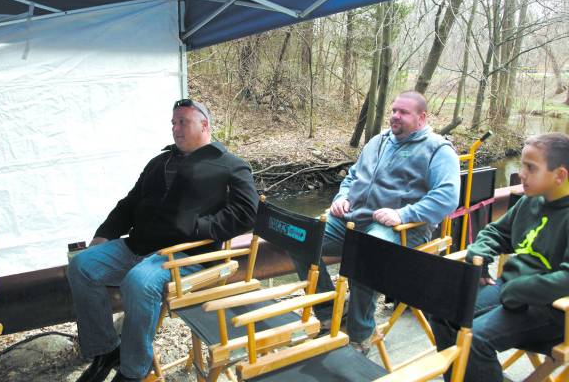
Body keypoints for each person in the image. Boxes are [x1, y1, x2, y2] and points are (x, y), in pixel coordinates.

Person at [68, 99, 259, 382]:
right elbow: (130, 203)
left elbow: (246, 213)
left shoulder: (229, 165)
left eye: (183, 122)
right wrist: (105, 233)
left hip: (185, 255)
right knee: (81, 266)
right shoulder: (160, 162)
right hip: (138, 246)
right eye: (173, 123)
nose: (175, 128)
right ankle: (106, 349)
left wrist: (198, 227)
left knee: (139, 281)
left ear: (204, 125)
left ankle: (134, 371)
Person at [293, 90, 461, 353]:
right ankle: (329, 312)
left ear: (421, 117)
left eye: (403, 112)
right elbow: (352, 176)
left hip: (402, 229)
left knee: (367, 252)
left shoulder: (438, 149)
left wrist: (404, 214)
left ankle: (360, 334)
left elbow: (448, 196)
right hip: (354, 217)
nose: (395, 116)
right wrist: (342, 196)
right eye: (393, 110)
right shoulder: (378, 141)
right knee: (301, 236)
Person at [432, 132, 569, 382]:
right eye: (522, 165)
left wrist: (516, 290)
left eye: (530, 167)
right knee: (443, 310)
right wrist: (480, 252)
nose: (521, 174)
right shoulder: (531, 200)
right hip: (511, 291)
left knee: (474, 340)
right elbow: (497, 231)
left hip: (555, 310)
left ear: (559, 175)